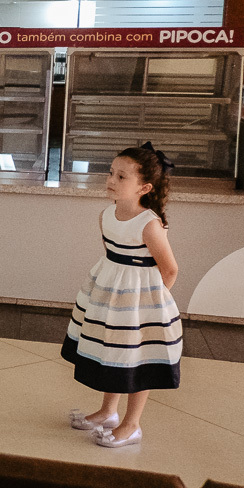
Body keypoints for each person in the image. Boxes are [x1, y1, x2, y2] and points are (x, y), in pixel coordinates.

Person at [62, 143, 180, 448]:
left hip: (139, 308)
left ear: (144, 187)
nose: (111, 180)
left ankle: (132, 425)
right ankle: (108, 412)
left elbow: (170, 269)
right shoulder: (107, 215)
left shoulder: (149, 224)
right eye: (111, 172)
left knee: (138, 362)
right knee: (113, 354)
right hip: (108, 299)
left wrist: (148, 308)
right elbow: (112, 257)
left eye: (122, 176)